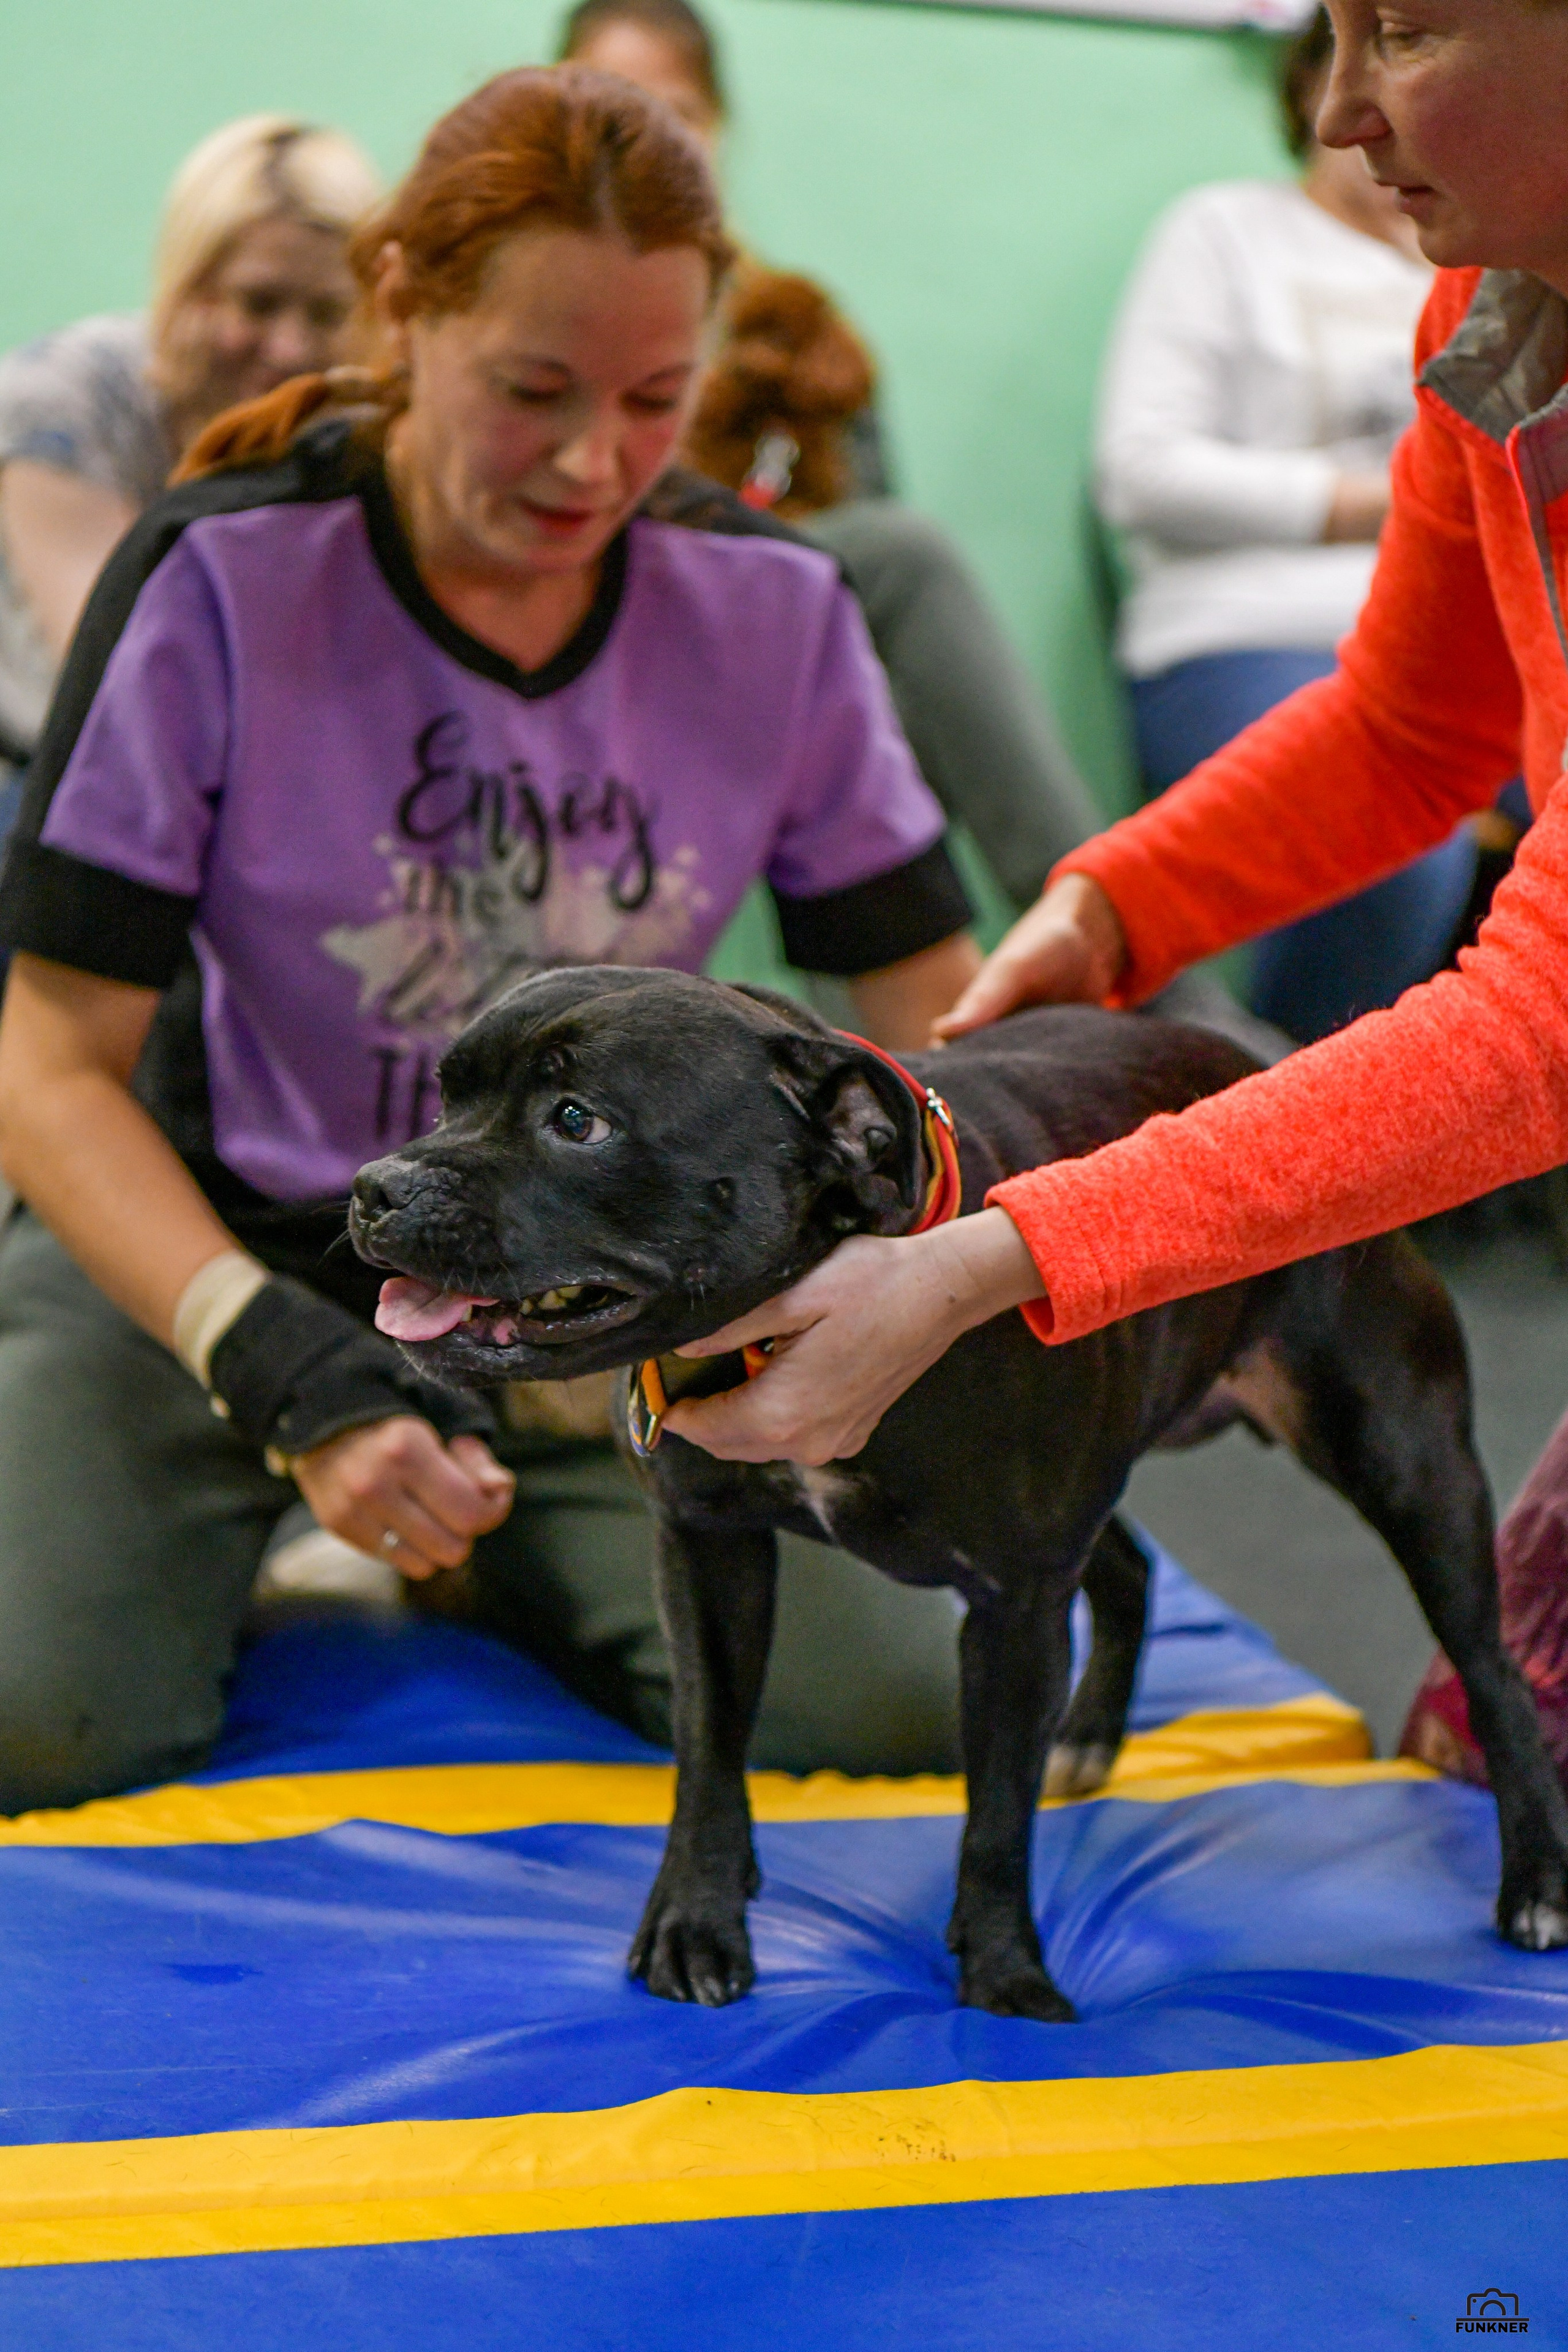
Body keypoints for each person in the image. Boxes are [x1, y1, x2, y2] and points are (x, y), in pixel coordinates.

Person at [0, 66, 984, 1812]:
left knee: (903, 1705)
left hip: (591, 1302)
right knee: (34, 1716)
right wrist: (268, 1356)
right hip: (232, 1261)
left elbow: (942, 1027)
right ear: (405, 307)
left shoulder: (777, 612)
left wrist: (921, 1287)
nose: (595, 461)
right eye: (533, 391)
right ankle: (320, 1492)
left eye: (655, 402)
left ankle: (501, 1543)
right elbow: (46, 1059)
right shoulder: (218, 579)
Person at [660, 0, 1568, 1801]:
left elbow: (1533, 1024)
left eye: (1400, 33)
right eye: (1327, 37)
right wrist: (1110, 902)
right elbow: (1409, 722)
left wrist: (1011, 1253)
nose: (1337, 112)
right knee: (1504, 1726)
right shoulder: (1487, 318)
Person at [554, 0, 1106, 912]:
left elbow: (871, 541)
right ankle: (1099, 925)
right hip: (590, 644)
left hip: (767, 648)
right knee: (900, 562)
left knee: (878, 607)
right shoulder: (517, 312)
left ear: (719, 133)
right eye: (609, 110)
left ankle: (1062, 941)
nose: (644, 143)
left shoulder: (793, 326)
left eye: (677, 115)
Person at [1096, 9, 1477, 1044]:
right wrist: (1378, 499)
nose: (1364, 114)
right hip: (1245, 636)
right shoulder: (1225, 231)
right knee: (1401, 843)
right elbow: (1142, 472)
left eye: (1403, 51)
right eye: (1342, 67)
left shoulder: (1482, 263)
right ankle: (1281, 1094)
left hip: (1465, 650)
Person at [0, 115, 379, 829]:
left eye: (327, 313)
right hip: (62, 774)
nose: (289, 347)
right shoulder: (63, 401)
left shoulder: (360, 431)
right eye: (258, 303)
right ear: (190, 288)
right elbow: (116, 679)